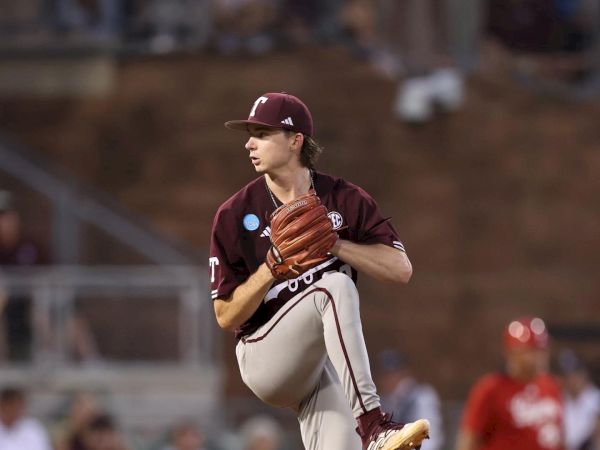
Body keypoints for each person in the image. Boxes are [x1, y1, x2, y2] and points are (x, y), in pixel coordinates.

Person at [210, 92, 430, 450]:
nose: (249, 143)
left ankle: (369, 430)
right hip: (264, 354)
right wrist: (269, 269)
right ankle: (374, 423)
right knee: (336, 286)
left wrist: (336, 244)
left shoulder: (344, 198)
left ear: (296, 141)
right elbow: (224, 315)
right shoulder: (235, 214)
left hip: (316, 366)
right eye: (250, 134)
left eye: (262, 133)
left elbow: (400, 269)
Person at [455, 316, 564, 450]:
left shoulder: (551, 386)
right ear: (511, 353)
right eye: (530, 351)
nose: (538, 357)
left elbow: (559, 436)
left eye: (541, 350)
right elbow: (469, 440)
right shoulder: (491, 389)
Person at [376, 350, 443, 450]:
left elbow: (430, 438)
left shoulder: (422, 396)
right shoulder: (383, 401)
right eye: (385, 375)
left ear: (404, 373)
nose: (389, 379)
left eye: (393, 373)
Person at [559, 350, 600, 450]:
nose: (572, 379)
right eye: (568, 375)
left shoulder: (596, 398)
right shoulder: (559, 397)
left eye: (576, 374)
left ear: (584, 374)